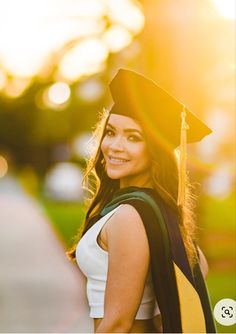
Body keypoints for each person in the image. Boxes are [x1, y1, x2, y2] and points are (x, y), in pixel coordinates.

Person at [67, 69, 216, 333]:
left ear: (155, 150)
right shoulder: (161, 213)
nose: (114, 146)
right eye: (111, 132)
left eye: (133, 137)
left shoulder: (129, 216)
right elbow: (197, 270)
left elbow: (117, 324)